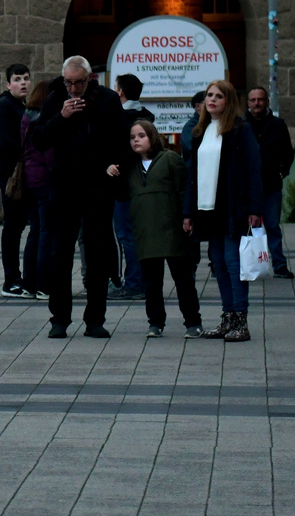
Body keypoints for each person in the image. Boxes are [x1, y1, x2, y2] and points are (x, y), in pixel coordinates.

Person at [29, 55, 126, 340]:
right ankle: (59, 318)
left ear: (89, 79)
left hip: (98, 185)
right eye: (69, 82)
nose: (73, 89)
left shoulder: (107, 99)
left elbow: (121, 138)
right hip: (64, 185)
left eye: (78, 83)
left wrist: (115, 166)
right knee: (60, 253)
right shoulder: (55, 98)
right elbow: (39, 138)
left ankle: (95, 319)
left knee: (97, 253)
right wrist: (63, 116)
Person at [182, 79, 264, 343]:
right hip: (206, 208)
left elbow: (253, 170)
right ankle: (227, 317)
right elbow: (192, 175)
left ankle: (241, 319)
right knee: (218, 263)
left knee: (233, 262)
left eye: (219, 96)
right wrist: (188, 213)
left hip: (232, 207)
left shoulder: (241, 130)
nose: (212, 100)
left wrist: (254, 208)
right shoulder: (200, 131)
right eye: (209, 95)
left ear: (229, 101)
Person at [106, 120, 202, 338]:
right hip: (145, 231)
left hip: (173, 230)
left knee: (183, 279)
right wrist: (111, 173)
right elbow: (121, 195)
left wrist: (188, 217)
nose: (136, 140)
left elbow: (184, 190)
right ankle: (156, 322)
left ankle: (193, 322)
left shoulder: (169, 159)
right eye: (132, 137)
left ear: (152, 137)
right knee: (151, 282)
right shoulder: (130, 166)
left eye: (141, 136)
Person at [0, 64, 36, 298]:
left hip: (21, 174)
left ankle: (18, 277)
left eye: (26, 79)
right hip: (13, 177)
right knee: (13, 227)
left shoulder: (19, 106)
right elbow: (8, 144)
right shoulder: (4, 107)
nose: (23, 83)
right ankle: (11, 279)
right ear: (8, 84)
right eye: (18, 79)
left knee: (18, 226)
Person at [108, 73, 154, 301]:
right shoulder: (146, 117)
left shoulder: (122, 119)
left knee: (126, 235)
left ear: (121, 92)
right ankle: (140, 280)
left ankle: (134, 282)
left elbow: (122, 153)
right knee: (138, 233)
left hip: (124, 186)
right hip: (143, 184)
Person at [246, 87, 295, 279]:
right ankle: (251, 265)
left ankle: (279, 265)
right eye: (253, 100)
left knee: (273, 227)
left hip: (271, 185)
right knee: (250, 228)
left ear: (267, 101)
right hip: (248, 188)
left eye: (260, 99)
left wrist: (281, 171)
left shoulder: (277, 125)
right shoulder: (242, 125)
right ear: (248, 102)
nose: (256, 103)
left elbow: (287, 152)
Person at [20, 80, 56, 302]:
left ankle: (28, 284)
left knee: (35, 232)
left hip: (30, 178)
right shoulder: (43, 119)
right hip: (44, 178)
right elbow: (48, 152)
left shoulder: (26, 117)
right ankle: (43, 284)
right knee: (45, 232)